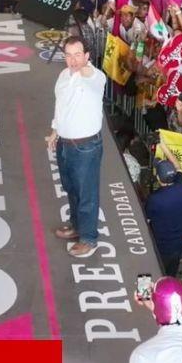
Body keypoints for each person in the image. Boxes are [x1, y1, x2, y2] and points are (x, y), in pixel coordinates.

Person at [47, 36, 108, 258]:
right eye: (69, 55)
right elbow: (60, 106)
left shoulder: (95, 77)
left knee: (87, 194)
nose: (73, 60)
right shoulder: (63, 75)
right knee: (71, 188)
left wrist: (85, 69)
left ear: (87, 56)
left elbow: (91, 76)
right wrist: (55, 130)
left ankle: (89, 238)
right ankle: (75, 225)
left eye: (78, 55)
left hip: (86, 147)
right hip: (65, 143)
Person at [144, 146, 182, 277]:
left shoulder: (155, 199)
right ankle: (167, 293)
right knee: (170, 275)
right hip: (180, 243)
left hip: (161, 246)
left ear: (158, 178)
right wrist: (163, 146)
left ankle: (145, 297)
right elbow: (178, 165)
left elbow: (147, 220)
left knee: (152, 273)